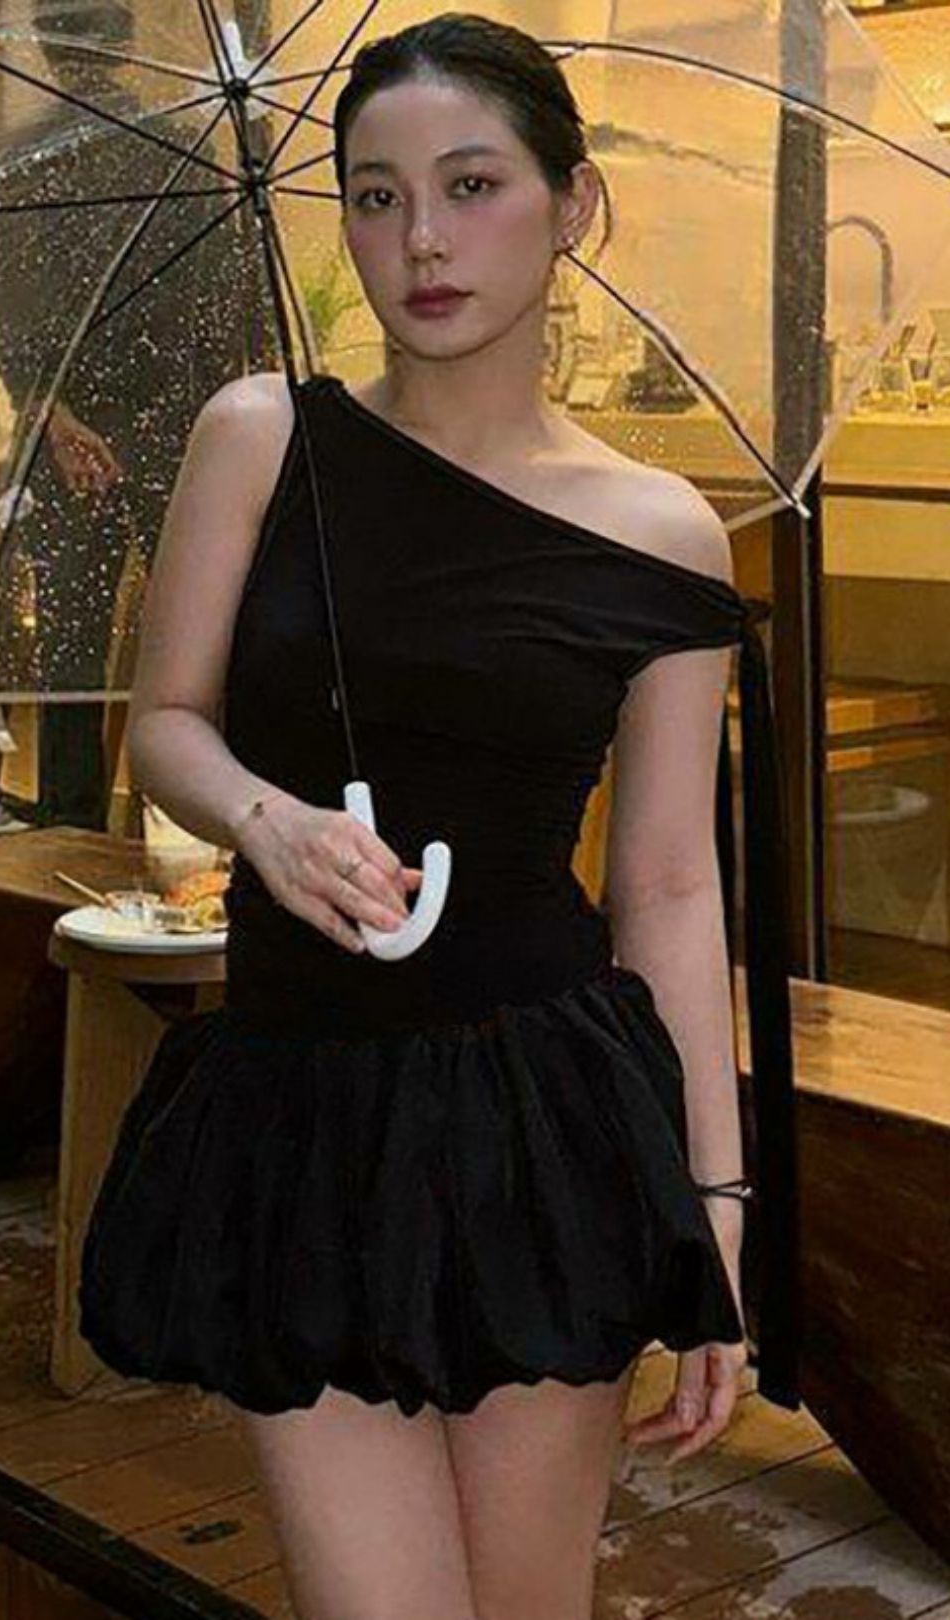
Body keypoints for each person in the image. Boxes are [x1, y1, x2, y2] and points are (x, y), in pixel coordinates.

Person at [78, 14, 799, 1619]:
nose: (421, 240)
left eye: (472, 185)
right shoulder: (261, 437)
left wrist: (716, 1214)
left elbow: (671, 890)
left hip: (539, 1124)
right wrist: (264, 820)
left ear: (572, 204)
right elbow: (167, 726)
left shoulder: (661, 533)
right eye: (377, 194)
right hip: (297, 1110)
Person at [0, 0, 236, 829]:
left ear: (49, 50)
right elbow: (219, 310)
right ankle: (192, 821)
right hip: (170, 432)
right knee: (193, 640)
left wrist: (55, 417)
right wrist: (179, 429)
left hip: (67, 434)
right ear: (124, 46)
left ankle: (69, 827)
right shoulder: (185, 153)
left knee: (69, 650)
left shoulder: (19, 165)